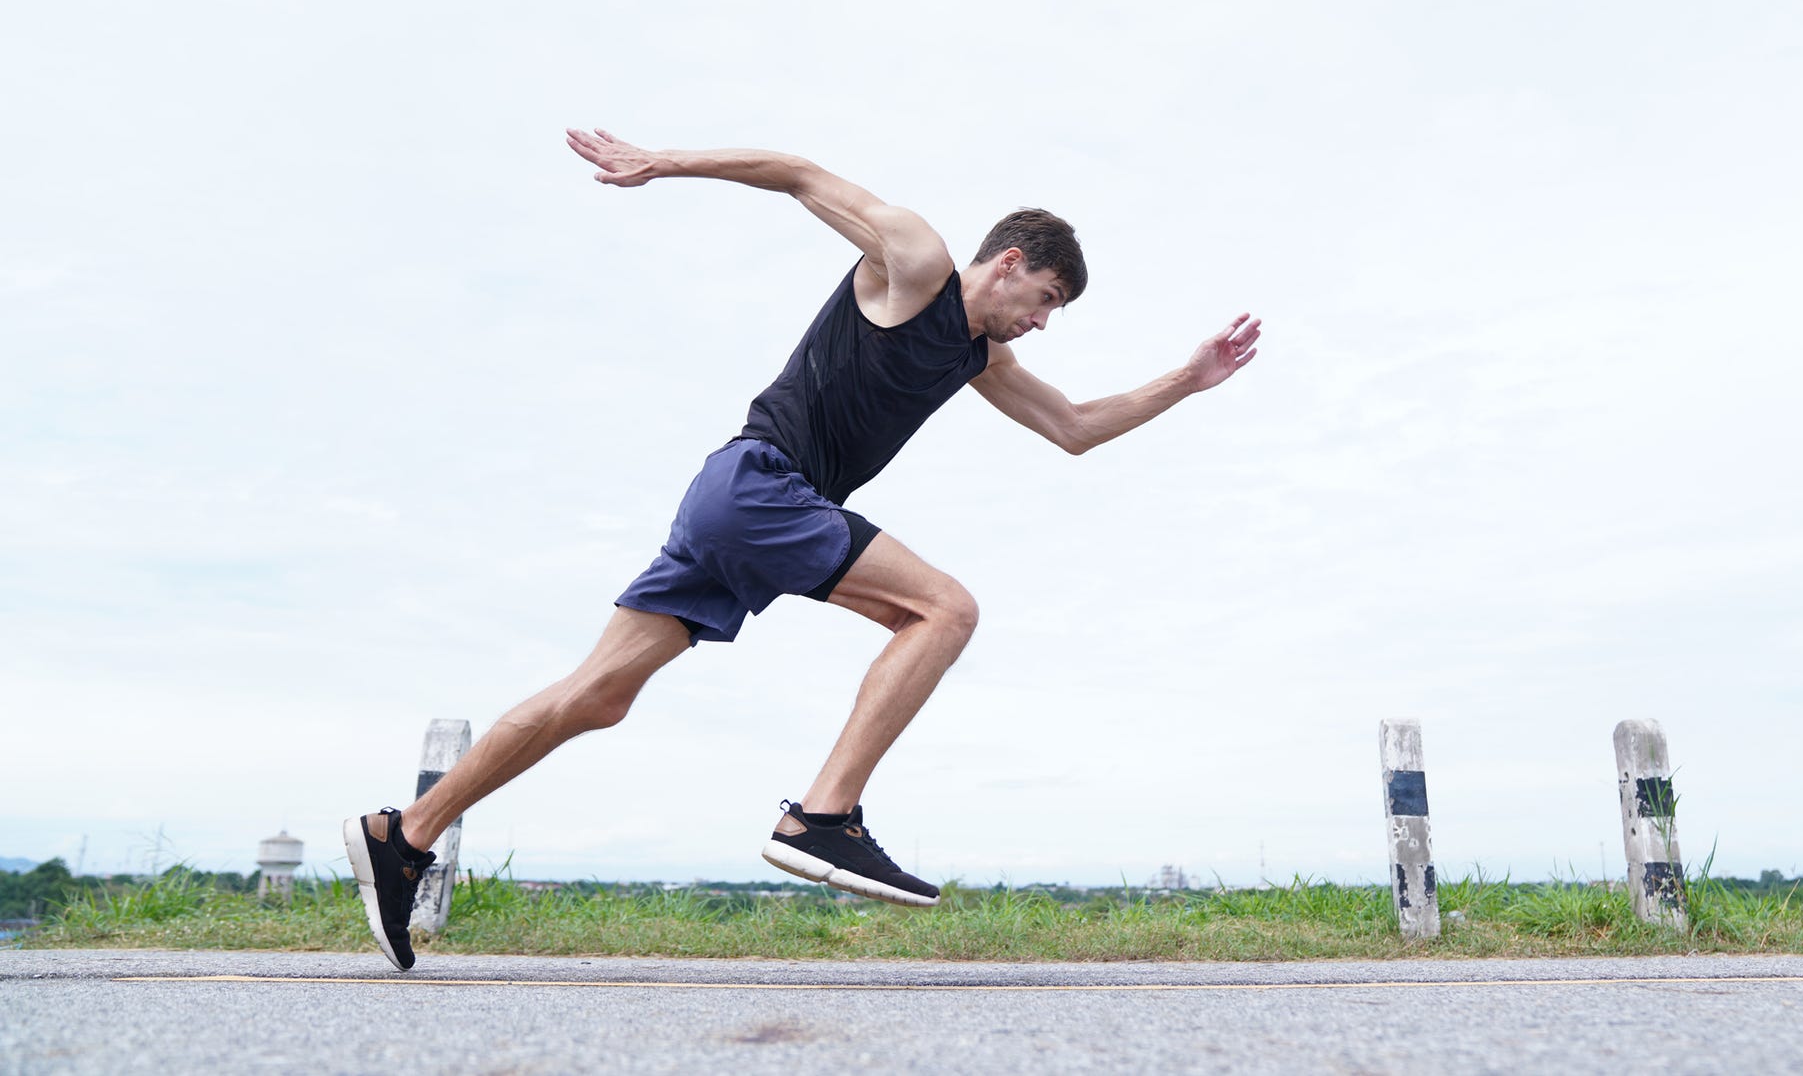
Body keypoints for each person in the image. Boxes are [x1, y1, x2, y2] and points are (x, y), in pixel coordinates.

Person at [343, 130, 1262, 970]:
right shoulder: (917, 261)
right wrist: (660, 162)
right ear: (1012, 264)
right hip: (760, 487)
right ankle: (823, 816)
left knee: (599, 696)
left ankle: (405, 835)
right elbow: (799, 175)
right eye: (1047, 300)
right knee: (945, 609)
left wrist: (1189, 378)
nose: (1043, 321)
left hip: (737, 504)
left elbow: (1072, 427)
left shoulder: (978, 358)